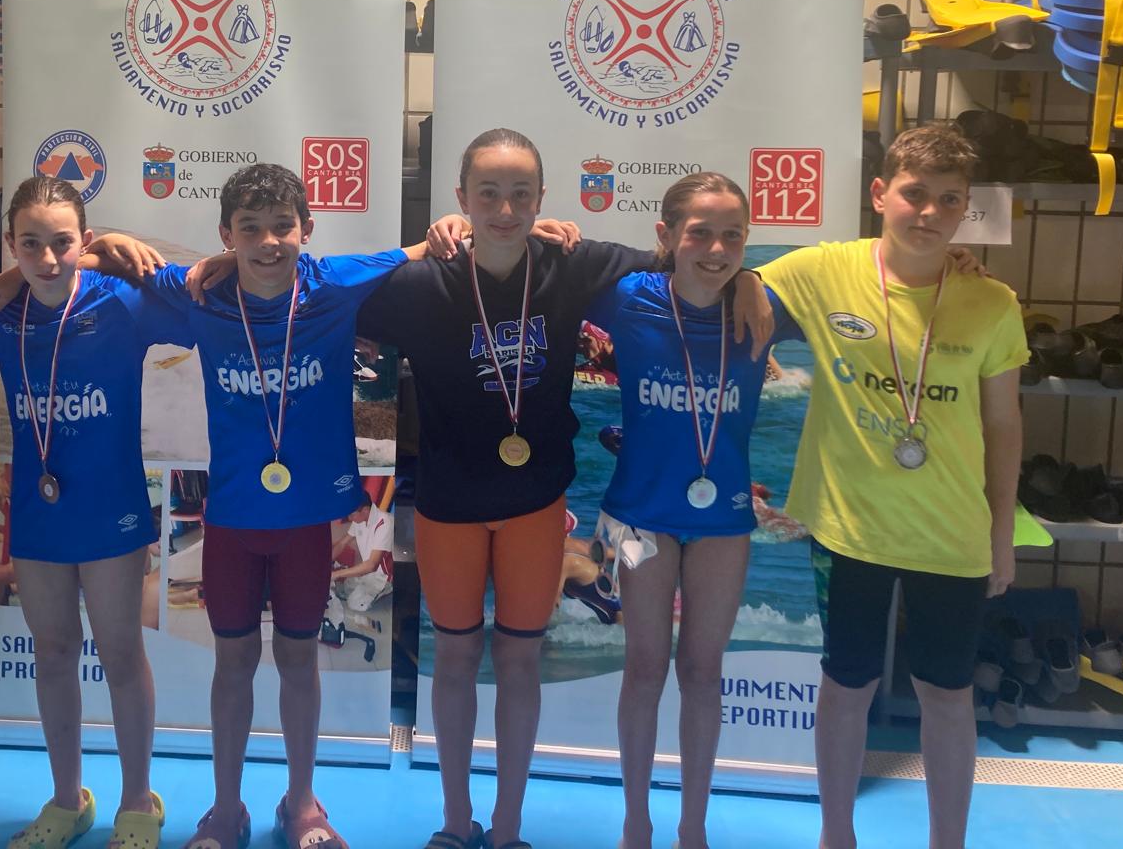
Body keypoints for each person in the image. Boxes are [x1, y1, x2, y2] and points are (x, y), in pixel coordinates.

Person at [354, 129, 772, 849]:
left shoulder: (572, 265)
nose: (505, 209)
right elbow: (322, 289)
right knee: (454, 660)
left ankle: (508, 827)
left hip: (536, 505)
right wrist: (420, 245)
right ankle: (455, 822)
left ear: (542, 199)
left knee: (520, 660)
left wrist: (750, 279)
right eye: (488, 193)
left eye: (520, 194)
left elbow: (687, 263)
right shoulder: (424, 283)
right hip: (449, 505)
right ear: (461, 198)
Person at [129, 162, 432, 849]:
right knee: (232, 665)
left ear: (308, 229)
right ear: (226, 235)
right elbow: (108, 261)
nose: (269, 243)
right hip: (233, 522)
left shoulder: (334, 284)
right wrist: (111, 247)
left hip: (305, 526)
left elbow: (425, 249)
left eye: (282, 227)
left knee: (299, 662)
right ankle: (224, 809)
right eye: (251, 230)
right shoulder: (201, 294)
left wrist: (449, 226)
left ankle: (301, 804)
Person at [759, 123, 1026, 849]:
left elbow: (1004, 426)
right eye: (915, 194)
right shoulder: (823, 270)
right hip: (850, 530)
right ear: (880, 194)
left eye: (950, 200)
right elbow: (719, 274)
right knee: (846, 684)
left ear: (965, 208)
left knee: (947, 693)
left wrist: (1002, 535)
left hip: (951, 534)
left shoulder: (992, 303)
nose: (930, 213)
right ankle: (835, 836)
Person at [585, 171, 803, 849]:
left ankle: (693, 830)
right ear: (666, 235)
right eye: (700, 233)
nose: (716, 249)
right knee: (645, 667)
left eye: (733, 236)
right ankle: (636, 825)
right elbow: (540, 259)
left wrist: (756, 279)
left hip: (723, 521)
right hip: (638, 516)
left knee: (704, 673)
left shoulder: (764, 308)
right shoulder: (629, 298)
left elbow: (858, 282)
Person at [0, 177, 188, 849]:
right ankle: (67, 801)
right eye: (29, 244)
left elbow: (198, 289)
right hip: (40, 515)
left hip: (112, 510)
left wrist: (112, 251)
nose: (46, 258)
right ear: (10, 245)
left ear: (83, 240)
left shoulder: (122, 301)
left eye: (61, 242)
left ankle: (138, 802)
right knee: (55, 652)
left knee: (121, 653)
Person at [329, 494, 393, 614]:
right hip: (367, 570)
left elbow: (372, 565)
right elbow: (342, 543)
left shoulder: (385, 523)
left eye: (352, 514)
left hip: (382, 577)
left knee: (355, 603)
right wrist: (326, 563)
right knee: (345, 589)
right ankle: (362, 587)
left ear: (365, 510)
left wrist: (336, 574)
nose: (349, 518)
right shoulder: (359, 520)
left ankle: (386, 590)